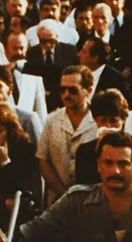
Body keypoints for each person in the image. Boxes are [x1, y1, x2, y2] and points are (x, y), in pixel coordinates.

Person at [37, 65, 98, 204]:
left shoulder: (98, 120)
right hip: (57, 200)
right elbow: (43, 160)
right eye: (62, 89)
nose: (66, 95)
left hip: (92, 200)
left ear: (88, 90)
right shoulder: (52, 120)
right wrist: (63, 193)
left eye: (72, 90)